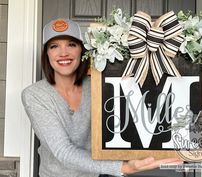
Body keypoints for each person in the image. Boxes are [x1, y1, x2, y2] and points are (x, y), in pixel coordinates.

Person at [21, 18, 183, 177]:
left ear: (81, 50)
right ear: (47, 54)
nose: (64, 53)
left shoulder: (98, 85)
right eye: (54, 46)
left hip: (102, 173)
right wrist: (124, 167)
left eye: (72, 44)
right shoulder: (35, 94)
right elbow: (63, 151)